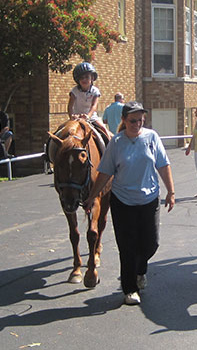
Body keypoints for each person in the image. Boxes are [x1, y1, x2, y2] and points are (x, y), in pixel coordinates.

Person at [83, 101, 175, 306]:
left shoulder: (152, 137)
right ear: (124, 120)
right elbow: (105, 172)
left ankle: (140, 270)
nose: (138, 124)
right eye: (133, 120)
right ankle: (130, 289)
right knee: (127, 247)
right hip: (123, 201)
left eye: (141, 120)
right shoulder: (116, 143)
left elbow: (163, 164)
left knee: (151, 244)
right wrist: (92, 196)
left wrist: (171, 191)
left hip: (149, 199)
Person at [68, 62, 106, 131]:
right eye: (81, 78)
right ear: (78, 80)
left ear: (92, 78)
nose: (84, 80)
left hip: (91, 117)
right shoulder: (74, 91)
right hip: (77, 117)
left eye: (87, 77)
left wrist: (88, 116)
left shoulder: (95, 91)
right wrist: (71, 116)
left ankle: (111, 141)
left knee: (104, 129)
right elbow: (70, 106)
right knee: (61, 130)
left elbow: (94, 106)